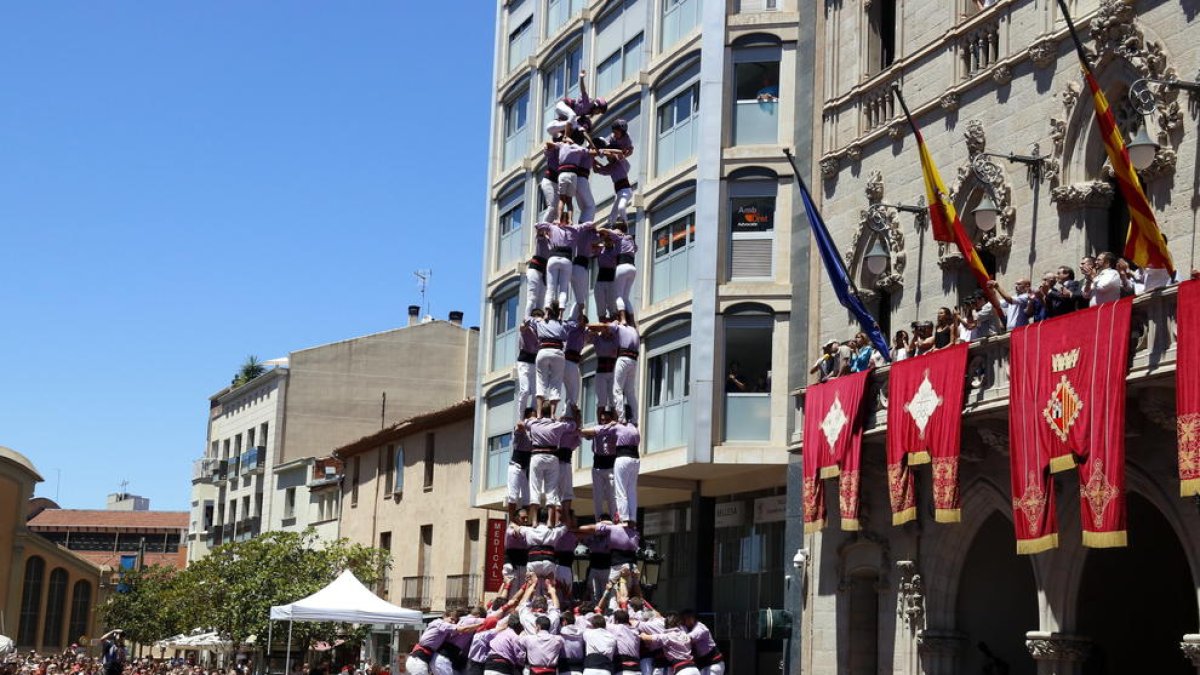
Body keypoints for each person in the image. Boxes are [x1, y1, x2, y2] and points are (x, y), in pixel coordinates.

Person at [521, 408, 564, 526]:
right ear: (551, 412)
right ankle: (550, 520)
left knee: (535, 489)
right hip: (552, 456)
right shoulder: (556, 425)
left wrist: (533, 418)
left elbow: (522, 422)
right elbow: (571, 426)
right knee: (551, 490)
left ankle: (534, 521)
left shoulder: (533, 424)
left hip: (537, 455)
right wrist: (557, 418)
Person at [525, 310, 567, 416]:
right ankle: (552, 414)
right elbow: (566, 336)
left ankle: (539, 413)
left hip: (543, 351)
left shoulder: (540, 322)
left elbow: (526, 319)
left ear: (548, 313)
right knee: (556, 383)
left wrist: (540, 319)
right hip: (557, 351)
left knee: (541, 382)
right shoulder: (561, 323)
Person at [598, 222, 638, 325]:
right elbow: (636, 249)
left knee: (618, 296)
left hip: (622, 267)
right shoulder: (630, 239)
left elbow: (606, 231)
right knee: (626, 298)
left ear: (619, 229)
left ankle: (623, 319)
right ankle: (633, 321)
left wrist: (598, 229)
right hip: (632, 268)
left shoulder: (618, 236)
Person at [582, 410, 618, 522]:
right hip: (597, 465)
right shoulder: (597, 430)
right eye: (602, 420)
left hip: (611, 465)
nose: (604, 422)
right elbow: (585, 435)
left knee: (612, 497)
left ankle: (615, 521)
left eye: (606, 420)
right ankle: (598, 521)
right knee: (597, 497)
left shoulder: (615, 429)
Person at [556, 135, 597, 225]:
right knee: (590, 206)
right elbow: (595, 153)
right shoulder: (582, 150)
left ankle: (574, 223)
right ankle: (581, 226)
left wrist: (566, 138)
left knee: (583, 207)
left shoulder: (567, 147)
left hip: (573, 177)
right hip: (579, 178)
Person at [507, 418, 533, 522]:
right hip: (515, 467)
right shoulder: (520, 433)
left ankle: (524, 521)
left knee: (527, 500)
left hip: (526, 470)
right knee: (513, 496)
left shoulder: (534, 435)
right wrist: (529, 422)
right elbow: (519, 425)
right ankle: (512, 521)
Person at [606, 611, 642, 675]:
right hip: (637, 670)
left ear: (616, 621)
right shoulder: (635, 631)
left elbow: (599, 623)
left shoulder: (616, 628)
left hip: (623, 670)